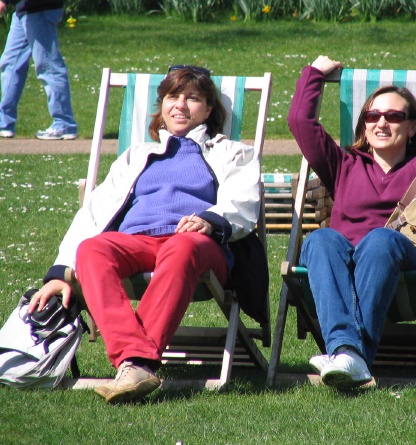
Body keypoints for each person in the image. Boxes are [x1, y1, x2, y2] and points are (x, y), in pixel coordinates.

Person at [26, 66, 261, 403]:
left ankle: (134, 362)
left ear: (208, 110)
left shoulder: (232, 152)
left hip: (197, 243)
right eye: (172, 97)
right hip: (137, 241)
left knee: (181, 247)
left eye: (192, 98)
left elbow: (243, 199)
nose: (180, 105)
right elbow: (94, 212)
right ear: (161, 105)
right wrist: (60, 271)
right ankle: (137, 362)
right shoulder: (136, 156)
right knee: (93, 249)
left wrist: (211, 220)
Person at [287, 56, 416, 389]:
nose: (381, 123)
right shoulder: (343, 163)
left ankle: (344, 351)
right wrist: (314, 75)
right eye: (372, 115)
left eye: (394, 116)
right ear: (364, 124)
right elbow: (300, 122)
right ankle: (351, 355)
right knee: (320, 240)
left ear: (411, 127)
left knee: (380, 239)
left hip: (401, 264)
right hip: (339, 262)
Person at [0, 0, 77, 140]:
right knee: (10, 63)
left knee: (48, 65)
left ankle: (64, 124)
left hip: (40, 7)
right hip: (25, 9)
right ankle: (4, 123)